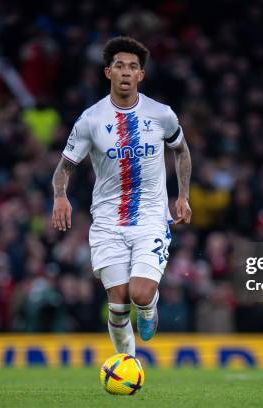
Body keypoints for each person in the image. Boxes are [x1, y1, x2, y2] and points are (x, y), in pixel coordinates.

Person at [51, 36, 192, 356]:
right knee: (118, 301)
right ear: (108, 73)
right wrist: (60, 196)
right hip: (107, 220)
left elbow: (181, 151)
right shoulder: (90, 120)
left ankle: (149, 307)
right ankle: (127, 364)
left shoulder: (162, 114)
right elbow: (64, 167)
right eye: (119, 66)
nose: (126, 72)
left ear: (141, 75)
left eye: (133, 67)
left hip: (151, 217)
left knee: (139, 295)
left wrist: (183, 195)